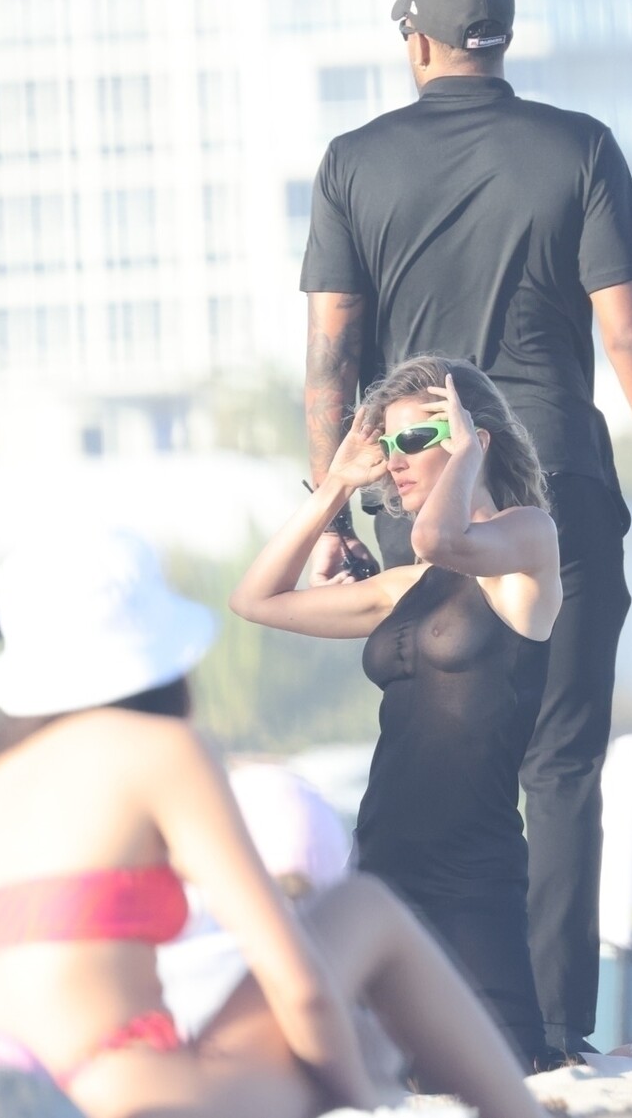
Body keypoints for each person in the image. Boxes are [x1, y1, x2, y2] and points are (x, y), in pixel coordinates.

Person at [300, 0, 632, 1061]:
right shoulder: (579, 148)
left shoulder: (353, 163)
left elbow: (332, 353)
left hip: (418, 488)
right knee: (561, 761)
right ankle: (554, 1030)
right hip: (556, 477)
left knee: (442, 756)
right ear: (504, 42)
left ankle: (422, 1021)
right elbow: (629, 333)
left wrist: (333, 509)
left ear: (417, 43)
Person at [0, 529, 545, 1118]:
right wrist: (359, 1095)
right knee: (363, 909)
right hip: (131, 1097)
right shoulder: (157, 749)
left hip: (4, 1099)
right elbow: (300, 984)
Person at [233, 355, 561, 1068]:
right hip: (381, 864)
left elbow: (441, 538)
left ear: (474, 438)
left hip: (472, 876)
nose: (395, 461)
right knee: (370, 1076)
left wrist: (467, 457)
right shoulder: (403, 586)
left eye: (415, 439)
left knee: (513, 1072)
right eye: (387, 445)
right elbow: (256, 598)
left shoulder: (529, 543)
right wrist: (338, 485)